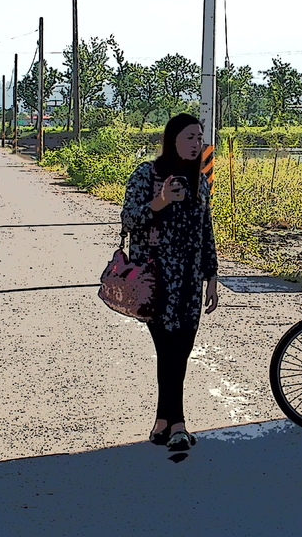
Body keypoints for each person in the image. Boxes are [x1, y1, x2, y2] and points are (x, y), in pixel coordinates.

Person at [121, 113, 219, 452]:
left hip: (190, 282)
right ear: (172, 140)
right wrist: (160, 201)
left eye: (199, 138)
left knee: (181, 351)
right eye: (189, 137)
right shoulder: (146, 175)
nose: (196, 144)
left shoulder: (199, 180)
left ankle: (162, 422)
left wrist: (212, 276)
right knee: (169, 351)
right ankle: (178, 425)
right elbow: (128, 219)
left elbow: (206, 230)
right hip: (157, 280)